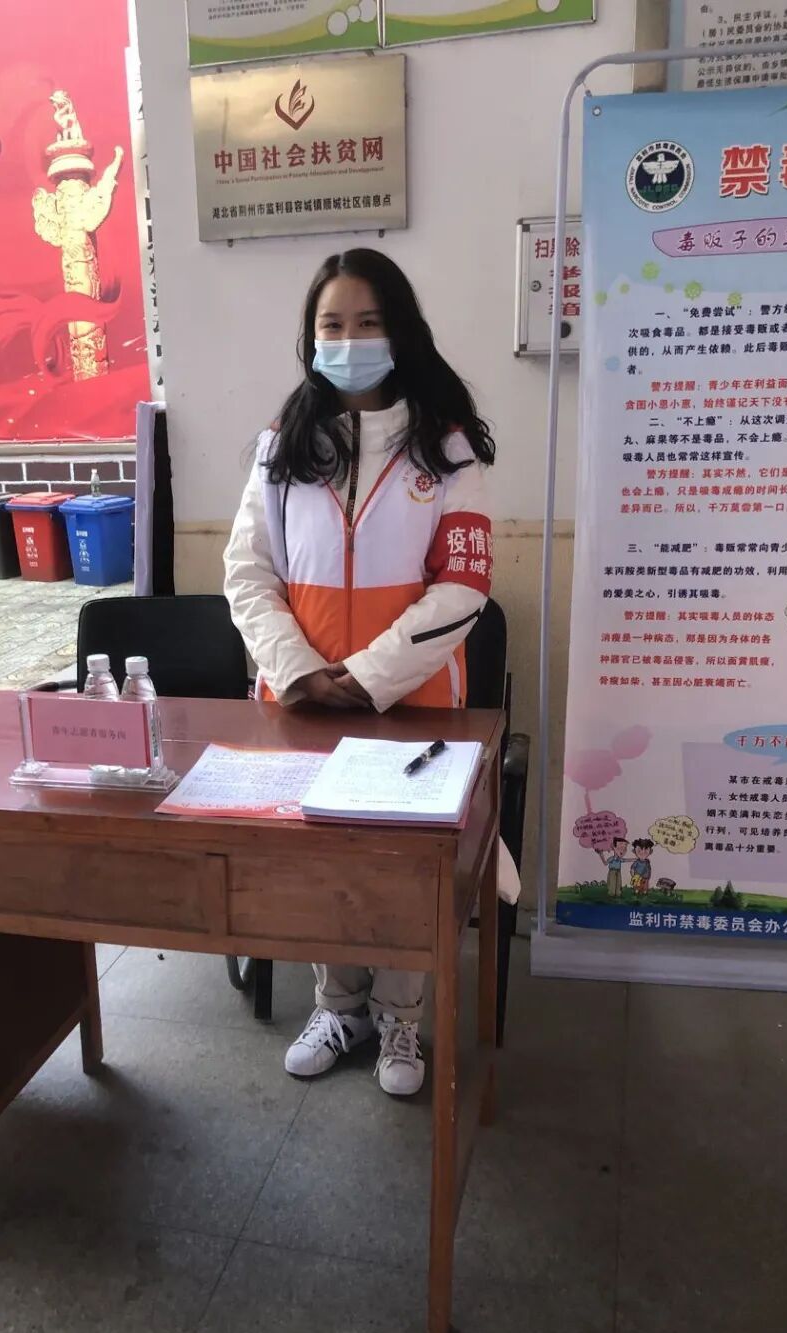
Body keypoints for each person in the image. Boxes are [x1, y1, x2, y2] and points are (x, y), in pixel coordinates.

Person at [224, 248, 519, 1097]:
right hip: (303, 702)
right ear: (310, 337)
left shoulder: (447, 448)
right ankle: (338, 1006)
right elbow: (247, 572)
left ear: (400, 332)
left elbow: (463, 585)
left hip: (413, 702)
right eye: (332, 325)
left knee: (402, 869)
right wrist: (301, 672)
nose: (348, 340)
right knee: (324, 865)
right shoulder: (282, 448)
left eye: (367, 322)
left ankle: (400, 1020)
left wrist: (367, 676)